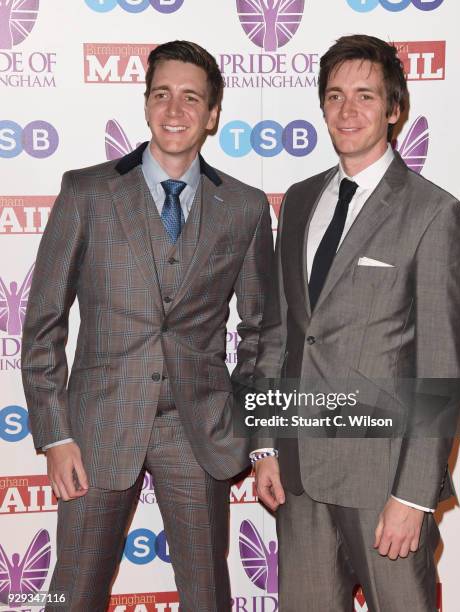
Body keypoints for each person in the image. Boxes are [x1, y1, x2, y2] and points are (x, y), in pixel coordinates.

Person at [21, 40, 273, 612]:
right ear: (145, 103)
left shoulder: (244, 207)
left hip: (198, 431)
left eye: (191, 98)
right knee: (71, 595)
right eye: (162, 94)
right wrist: (56, 433)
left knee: (207, 597)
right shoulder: (87, 191)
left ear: (212, 115)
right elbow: (42, 325)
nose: (174, 110)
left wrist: (247, 429)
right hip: (95, 432)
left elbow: (262, 332)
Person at [251, 34, 460, 611]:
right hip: (297, 478)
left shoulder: (434, 213)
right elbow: (282, 335)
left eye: (366, 96)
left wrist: (414, 496)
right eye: (335, 96)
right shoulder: (298, 200)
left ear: (394, 109)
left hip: (384, 484)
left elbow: (442, 369)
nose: (347, 111)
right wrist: (265, 445)